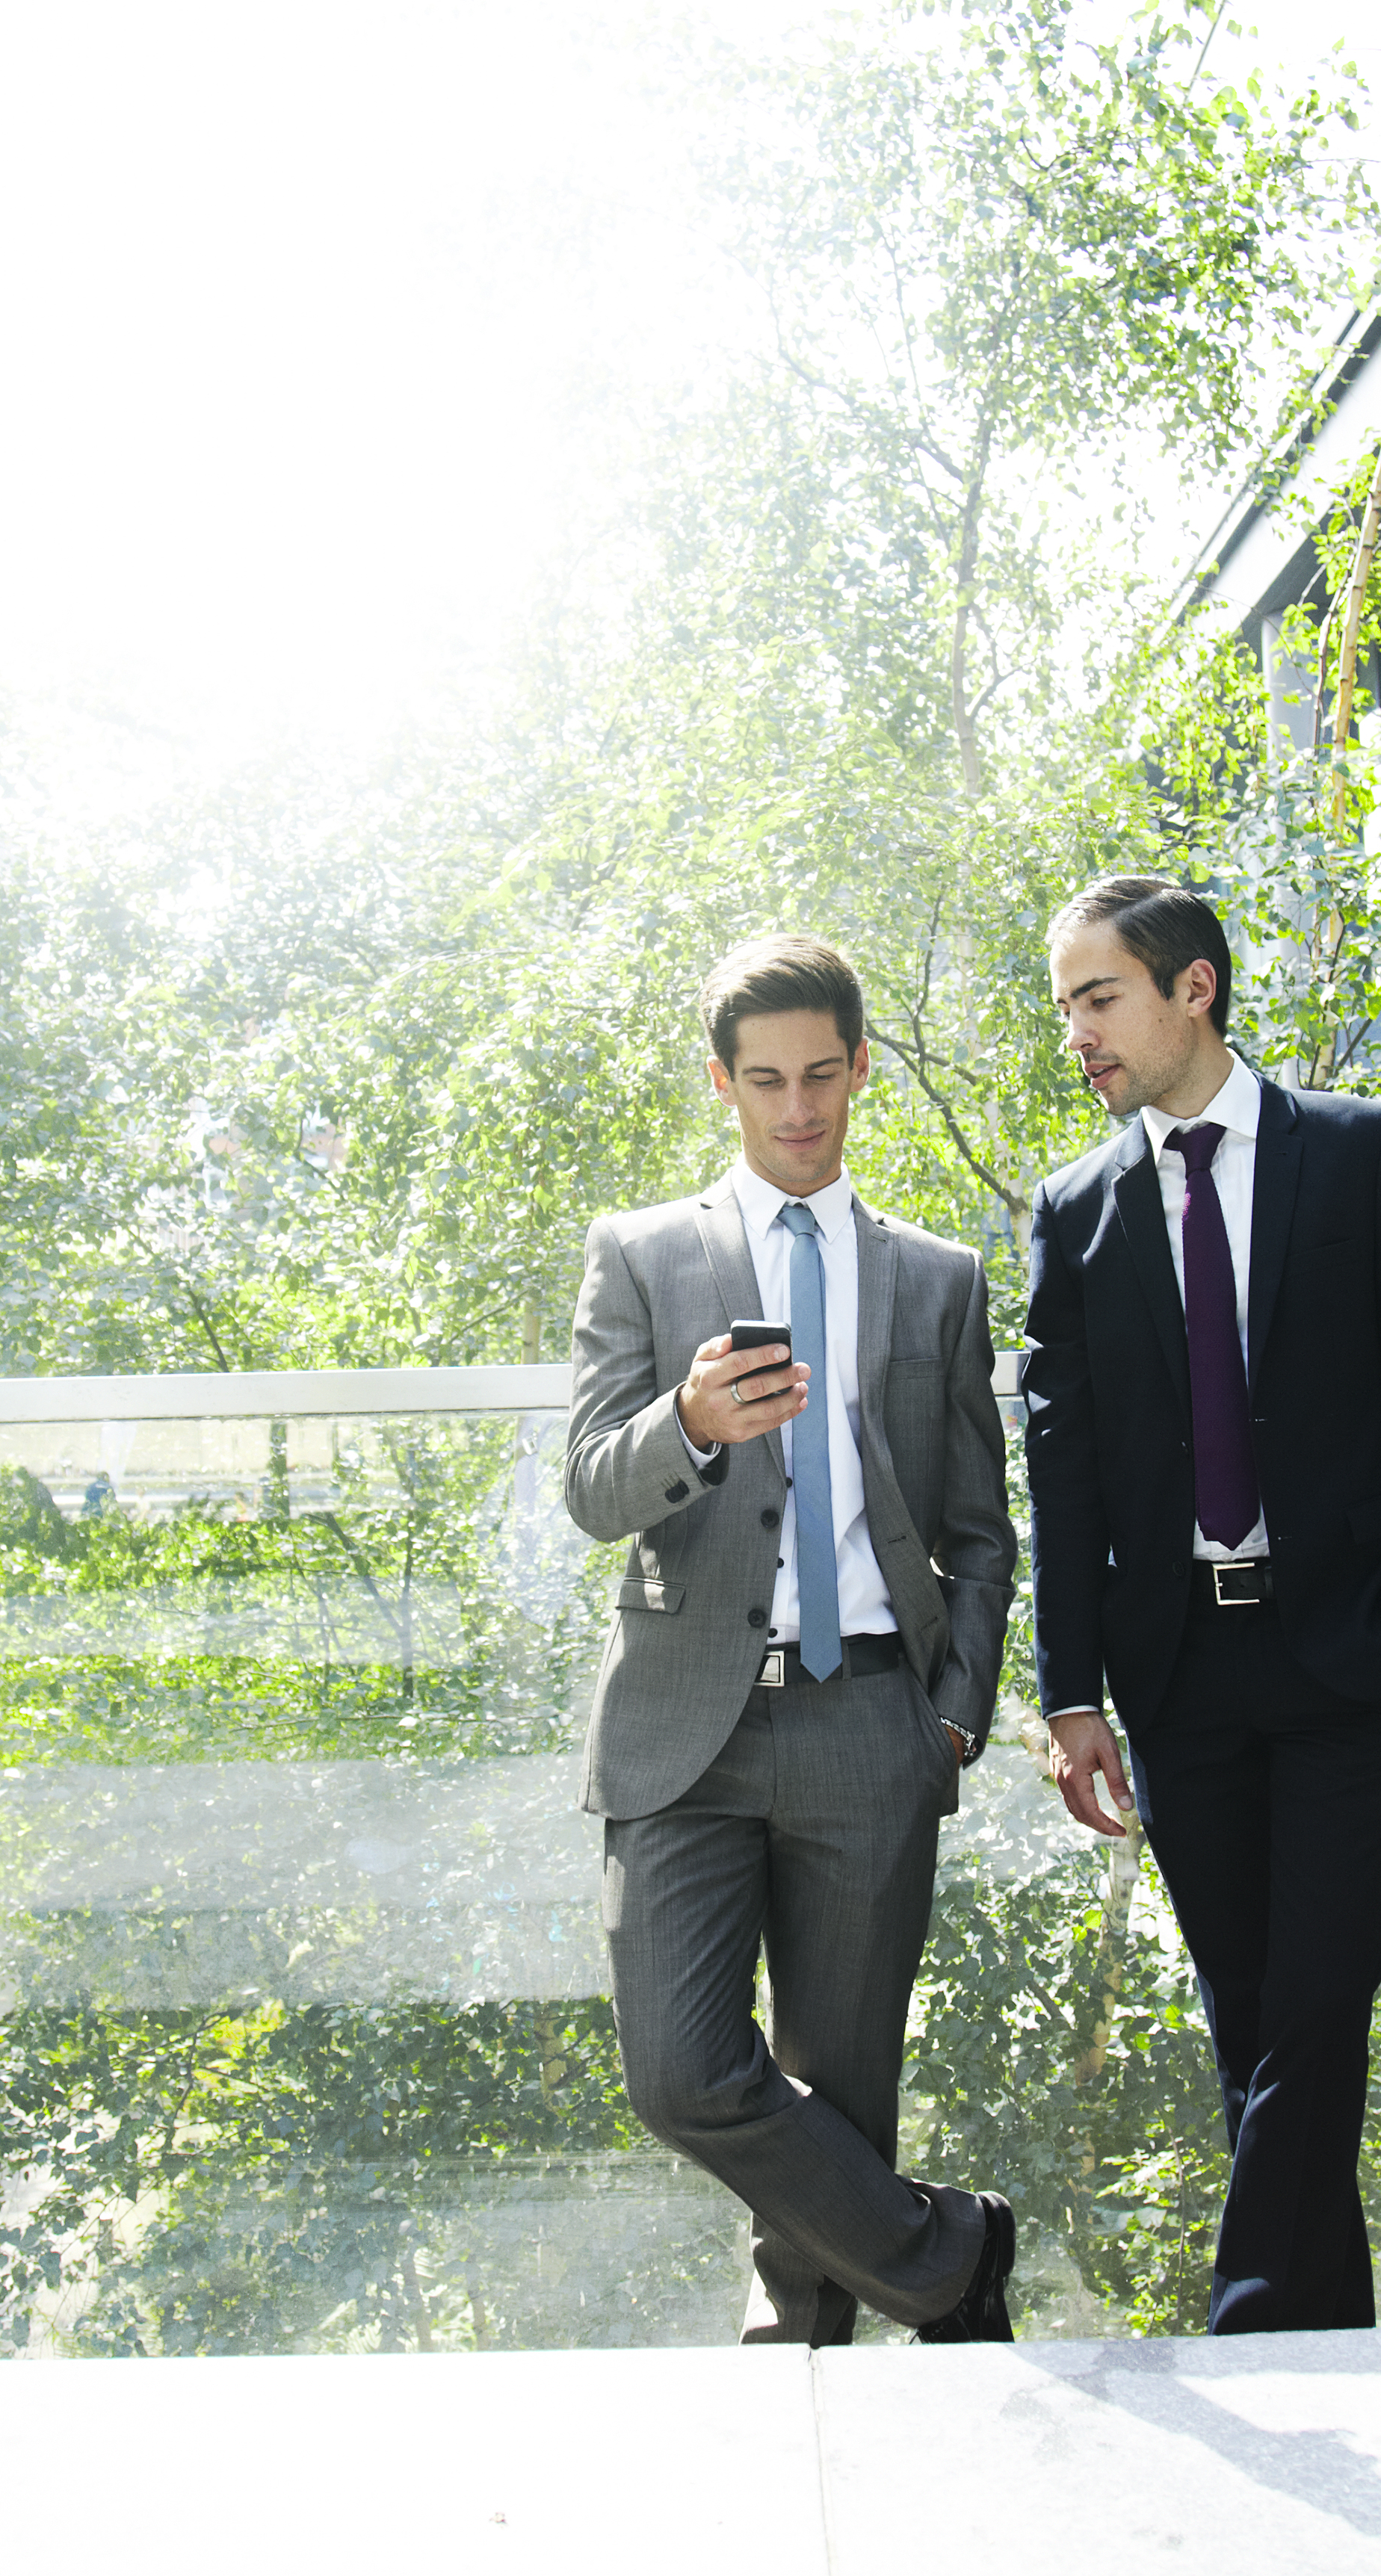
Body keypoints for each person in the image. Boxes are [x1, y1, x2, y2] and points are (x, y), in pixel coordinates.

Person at [1019, 876, 1381, 2334]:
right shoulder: (1074, 1208)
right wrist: (1072, 1693)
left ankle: (1248, 2311)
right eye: (1066, 1009)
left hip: (1348, 1651)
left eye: (1098, 998)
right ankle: (1317, 2341)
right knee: (1254, 2020)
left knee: (1317, 1998)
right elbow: (1067, 1469)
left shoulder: (1358, 1154)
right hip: (1176, 1673)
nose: (1078, 1034)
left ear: (1193, 987)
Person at [563, 933, 1021, 2345]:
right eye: (765, 1079)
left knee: (844, 2082)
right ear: (723, 1083)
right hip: (683, 1726)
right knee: (681, 2073)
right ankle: (951, 2258)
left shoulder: (935, 1277)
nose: (798, 1107)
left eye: (823, 1073)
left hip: (871, 1716)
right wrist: (689, 1422)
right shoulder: (641, 1254)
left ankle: (804, 2345)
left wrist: (950, 1713)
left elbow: (979, 1524)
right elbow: (589, 1485)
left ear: (861, 1068)